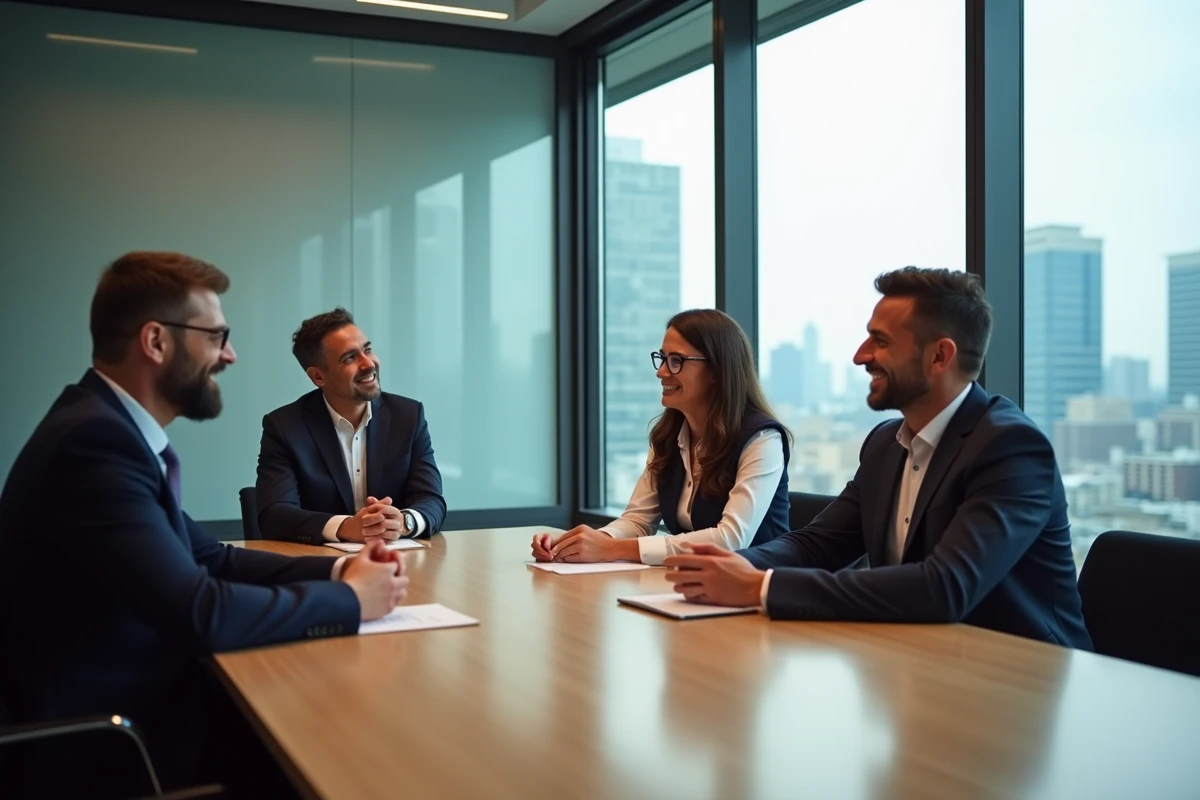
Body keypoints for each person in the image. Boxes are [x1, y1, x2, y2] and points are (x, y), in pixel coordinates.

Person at [0, 252, 409, 796]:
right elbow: (200, 611)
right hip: (114, 743)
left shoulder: (106, 428)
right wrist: (354, 603)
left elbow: (211, 557)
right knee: (345, 749)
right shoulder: (94, 444)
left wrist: (342, 573)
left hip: (147, 703)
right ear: (156, 341)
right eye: (216, 336)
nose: (230, 355)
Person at [662, 268, 1093, 650]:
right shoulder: (886, 444)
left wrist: (761, 586)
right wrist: (731, 566)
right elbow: (816, 543)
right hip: (916, 661)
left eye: (880, 341)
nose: (860, 355)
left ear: (940, 356)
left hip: (1023, 679)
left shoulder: (1011, 447)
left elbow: (945, 587)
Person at [533, 308, 790, 566]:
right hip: (691, 584)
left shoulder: (762, 439)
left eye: (676, 360)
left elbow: (730, 539)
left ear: (716, 370)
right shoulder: (668, 437)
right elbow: (637, 520)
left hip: (756, 590)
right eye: (662, 358)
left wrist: (612, 549)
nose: (662, 372)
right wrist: (581, 544)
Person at [256, 308, 447, 545]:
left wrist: (403, 522)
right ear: (318, 377)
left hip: (398, 563)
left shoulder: (408, 416)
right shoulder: (285, 427)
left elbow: (431, 499)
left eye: (367, 350)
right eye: (350, 358)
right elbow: (275, 515)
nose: (369, 364)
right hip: (319, 567)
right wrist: (346, 527)